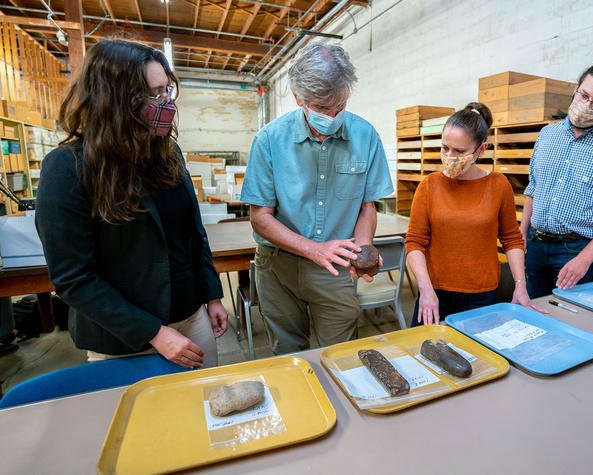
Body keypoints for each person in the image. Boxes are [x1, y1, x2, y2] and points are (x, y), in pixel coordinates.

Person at [35, 39, 227, 369]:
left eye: (167, 90)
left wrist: (211, 295)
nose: (165, 103)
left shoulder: (167, 154)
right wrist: (154, 333)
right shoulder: (67, 169)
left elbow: (194, 234)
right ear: (114, 100)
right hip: (125, 337)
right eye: (153, 94)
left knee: (205, 412)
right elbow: (73, 278)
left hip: (192, 317)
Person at [241, 42, 393, 354]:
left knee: (340, 354)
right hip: (279, 267)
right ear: (299, 98)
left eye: (340, 106)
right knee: (288, 353)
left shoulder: (366, 136)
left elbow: (367, 206)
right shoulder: (269, 141)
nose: (333, 117)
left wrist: (363, 249)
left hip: (336, 266)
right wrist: (313, 249)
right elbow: (260, 217)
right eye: (322, 109)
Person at [406, 102, 546, 326]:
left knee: (477, 357)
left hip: (481, 294)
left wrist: (521, 285)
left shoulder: (498, 185)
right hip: (434, 292)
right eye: (445, 148)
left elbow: (511, 239)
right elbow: (414, 243)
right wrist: (425, 289)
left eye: (459, 151)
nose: (450, 156)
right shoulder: (429, 186)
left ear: (480, 149)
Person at [521, 62, 593, 298]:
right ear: (576, 88)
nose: (587, 105)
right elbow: (533, 188)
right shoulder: (547, 135)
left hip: (577, 250)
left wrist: (584, 260)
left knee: (570, 321)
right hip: (534, 244)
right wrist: (522, 234)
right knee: (533, 313)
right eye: (584, 95)